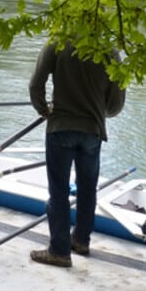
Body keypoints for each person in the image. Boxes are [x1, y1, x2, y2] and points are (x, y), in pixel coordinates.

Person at [28, 39, 126, 267]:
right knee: (88, 188)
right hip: (93, 131)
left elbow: (36, 84)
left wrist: (43, 109)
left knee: (59, 191)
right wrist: (100, 110)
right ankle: (81, 240)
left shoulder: (57, 43)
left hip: (61, 127)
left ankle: (59, 251)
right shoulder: (110, 51)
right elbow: (115, 105)